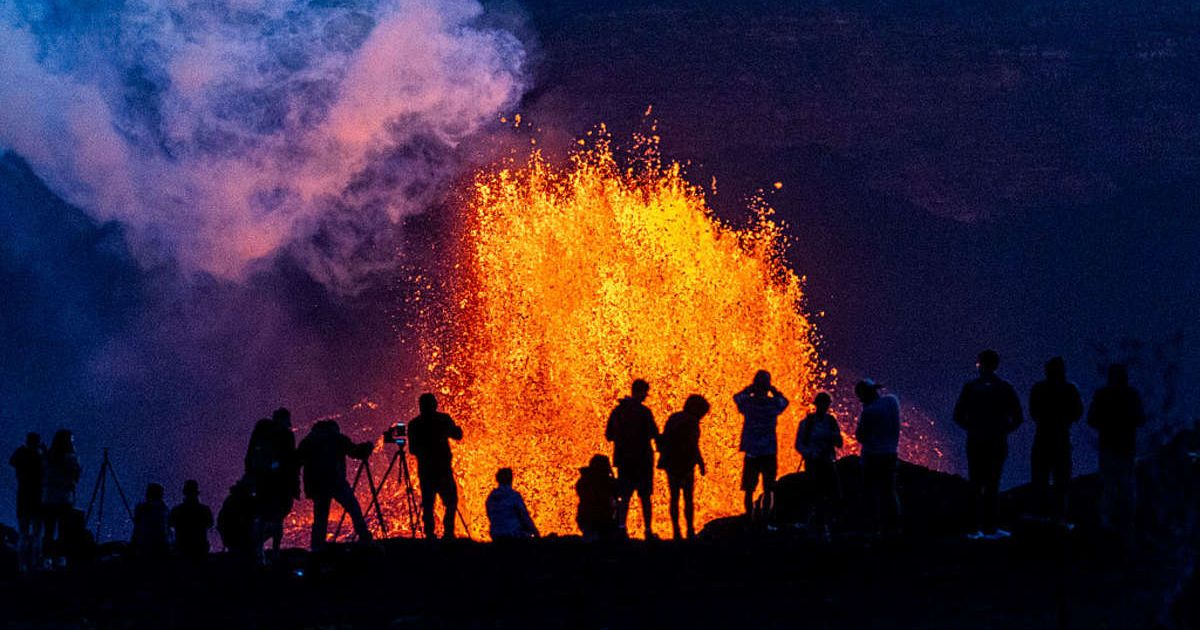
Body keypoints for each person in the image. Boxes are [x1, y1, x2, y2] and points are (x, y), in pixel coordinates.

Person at [953, 350, 1023, 539]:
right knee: (992, 483)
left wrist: (973, 428)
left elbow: (958, 415)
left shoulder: (971, 387)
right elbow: (1018, 417)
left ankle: (973, 528)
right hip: (997, 442)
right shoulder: (1005, 388)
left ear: (980, 364)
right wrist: (1002, 430)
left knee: (975, 483)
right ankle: (990, 528)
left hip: (976, 442)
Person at [1087, 363, 1145, 543]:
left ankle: (1107, 524)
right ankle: (1126, 524)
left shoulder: (1102, 395)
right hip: (1126, 446)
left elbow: (1092, 419)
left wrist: (1107, 426)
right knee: (1126, 487)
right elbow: (1140, 419)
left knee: (1109, 486)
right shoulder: (1131, 395)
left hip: (1109, 446)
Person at [297, 419, 374, 549]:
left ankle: (317, 547)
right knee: (353, 508)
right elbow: (355, 452)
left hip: (318, 486)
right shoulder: (336, 438)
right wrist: (367, 447)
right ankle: (364, 536)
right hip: (336, 482)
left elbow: (296, 462)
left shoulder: (308, 442)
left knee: (320, 517)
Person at [1028, 357, 1084, 523]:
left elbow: (1033, 411)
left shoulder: (1039, 388)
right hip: (1061, 438)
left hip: (1044, 438)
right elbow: (1078, 411)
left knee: (1041, 479)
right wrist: (1064, 420)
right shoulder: (1069, 389)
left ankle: (1042, 515)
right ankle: (1058, 516)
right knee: (1061, 480)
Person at [605, 379, 660, 539]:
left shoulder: (617, 412)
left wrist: (622, 438)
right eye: (645, 393)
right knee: (645, 497)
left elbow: (609, 435)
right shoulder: (644, 412)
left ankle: (622, 528)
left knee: (625, 495)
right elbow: (654, 433)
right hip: (643, 460)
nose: (645, 397)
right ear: (640, 392)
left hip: (624, 460)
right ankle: (648, 530)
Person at [407, 393, 465, 539]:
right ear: (435, 404)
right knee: (451, 501)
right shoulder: (443, 420)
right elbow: (458, 436)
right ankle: (448, 532)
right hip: (442, 469)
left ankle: (429, 533)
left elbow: (412, 449)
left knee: (428, 503)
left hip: (426, 470)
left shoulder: (414, 424)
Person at [244, 408, 299, 559]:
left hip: (263, 482)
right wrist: (294, 484)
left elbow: (249, 456)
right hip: (279, 484)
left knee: (263, 516)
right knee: (277, 517)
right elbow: (290, 461)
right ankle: (274, 551)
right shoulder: (286, 436)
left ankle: (260, 551)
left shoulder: (260, 434)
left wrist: (251, 475)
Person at [735, 370, 789, 518]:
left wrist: (749, 389)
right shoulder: (773, 405)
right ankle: (765, 519)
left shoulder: (748, 404)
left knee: (749, 488)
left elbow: (737, 398)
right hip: (769, 452)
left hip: (752, 452)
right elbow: (785, 401)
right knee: (768, 488)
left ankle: (749, 517)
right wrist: (774, 390)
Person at [657, 394, 709, 540]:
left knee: (674, 498)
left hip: (671, 464)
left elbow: (664, 437)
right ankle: (690, 530)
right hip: (685, 465)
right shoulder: (692, 422)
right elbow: (693, 445)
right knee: (687, 498)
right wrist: (700, 462)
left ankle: (676, 531)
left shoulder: (674, 418)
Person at [855, 380, 902, 537]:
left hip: (872, 456)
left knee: (870, 492)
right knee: (889, 491)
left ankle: (873, 527)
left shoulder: (869, 411)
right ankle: (894, 526)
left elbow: (860, 436)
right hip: (890, 453)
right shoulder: (892, 401)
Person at [796, 392, 843, 540]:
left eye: (826, 404)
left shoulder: (831, 422)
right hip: (814, 463)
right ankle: (816, 526)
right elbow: (799, 444)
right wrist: (811, 453)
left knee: (833, 494)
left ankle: (825, 525)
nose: (824, 407)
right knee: (816, 495)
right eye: (822, 404)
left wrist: (831, 437)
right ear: (817, 405)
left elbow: (839, 443)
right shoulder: (807, 423)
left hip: (827, 462)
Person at [42, 429, 81, 567]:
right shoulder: (71, 458)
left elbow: (44, 475)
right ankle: (61, 558)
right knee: (64, 530)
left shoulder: (48, 457)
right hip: (65, 499)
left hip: (49, 498)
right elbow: (75, 476)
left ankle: (47, 558)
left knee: (49, 530)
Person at [9, 433, 45, 571]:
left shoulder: (20, 454)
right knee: (37, 533)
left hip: (23, 497)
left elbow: (12, 461)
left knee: (23, 533)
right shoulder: (40, 456)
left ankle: (22, 565)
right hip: (38, 498)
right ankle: (36, 562)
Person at [485, 468, 539, 541]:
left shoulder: (491, 498)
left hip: (496, 534)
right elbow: (525, 517)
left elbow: (490, 517)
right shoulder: (513, 496)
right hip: (512, 534)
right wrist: (536, 534)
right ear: (511, 479)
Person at [576, 454, 618, 541]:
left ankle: (593, 534)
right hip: (599, 519)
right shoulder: (605, 482)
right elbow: (617, 492)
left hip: (585, 519)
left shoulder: (583, 481)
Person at [170, 479, 214, 560]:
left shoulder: (177, 510)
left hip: (182, 548)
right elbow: (210, 524)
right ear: (197, 493)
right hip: (200, 548)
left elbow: (171, 524)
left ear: (184, 493)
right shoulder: (204, 509)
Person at [217, 479, 257, 559]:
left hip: (231, 538)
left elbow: (220, 522)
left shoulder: (229, 500)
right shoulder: (247, 501)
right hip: (240, 539)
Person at [131, 482, 170, 558]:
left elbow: (137, 529)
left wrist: (133, 545)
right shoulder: (163, 509)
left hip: (145, 547)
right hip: (160, 547)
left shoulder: (141, 508)